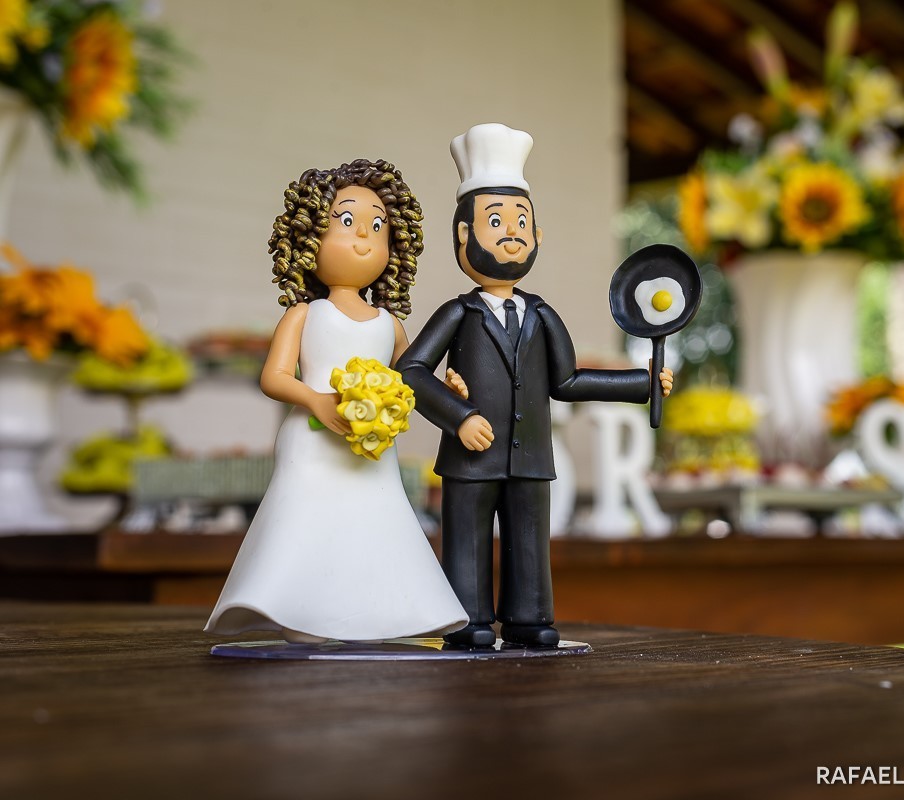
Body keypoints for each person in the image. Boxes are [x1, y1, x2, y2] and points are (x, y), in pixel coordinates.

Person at [397, 124, 674, 649]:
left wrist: (643, 383)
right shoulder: (458, 313)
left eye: (522, 222)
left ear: (538, 238)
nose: (512, 232)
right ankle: (468, 619)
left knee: (528, 543)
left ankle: (528, 617)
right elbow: (410, 371)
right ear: (464, 237)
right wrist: (459, 417)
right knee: (467, 545)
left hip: (529, 458)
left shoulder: (542, 315)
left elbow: (566, 381)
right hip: (470, 456)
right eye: (496, 220)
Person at [205, 159, 468, 644]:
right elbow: (274, 377)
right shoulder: (305, 314)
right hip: (311, 442)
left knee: (372, 521)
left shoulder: (389, 324)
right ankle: (301, 611)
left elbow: (412, 378)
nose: (363, 239)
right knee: (309, 519)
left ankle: (374, 615)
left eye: (377, 227)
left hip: (370, 446)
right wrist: (317, 401)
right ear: (308, 238)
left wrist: (445, 388)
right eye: (346, 223)